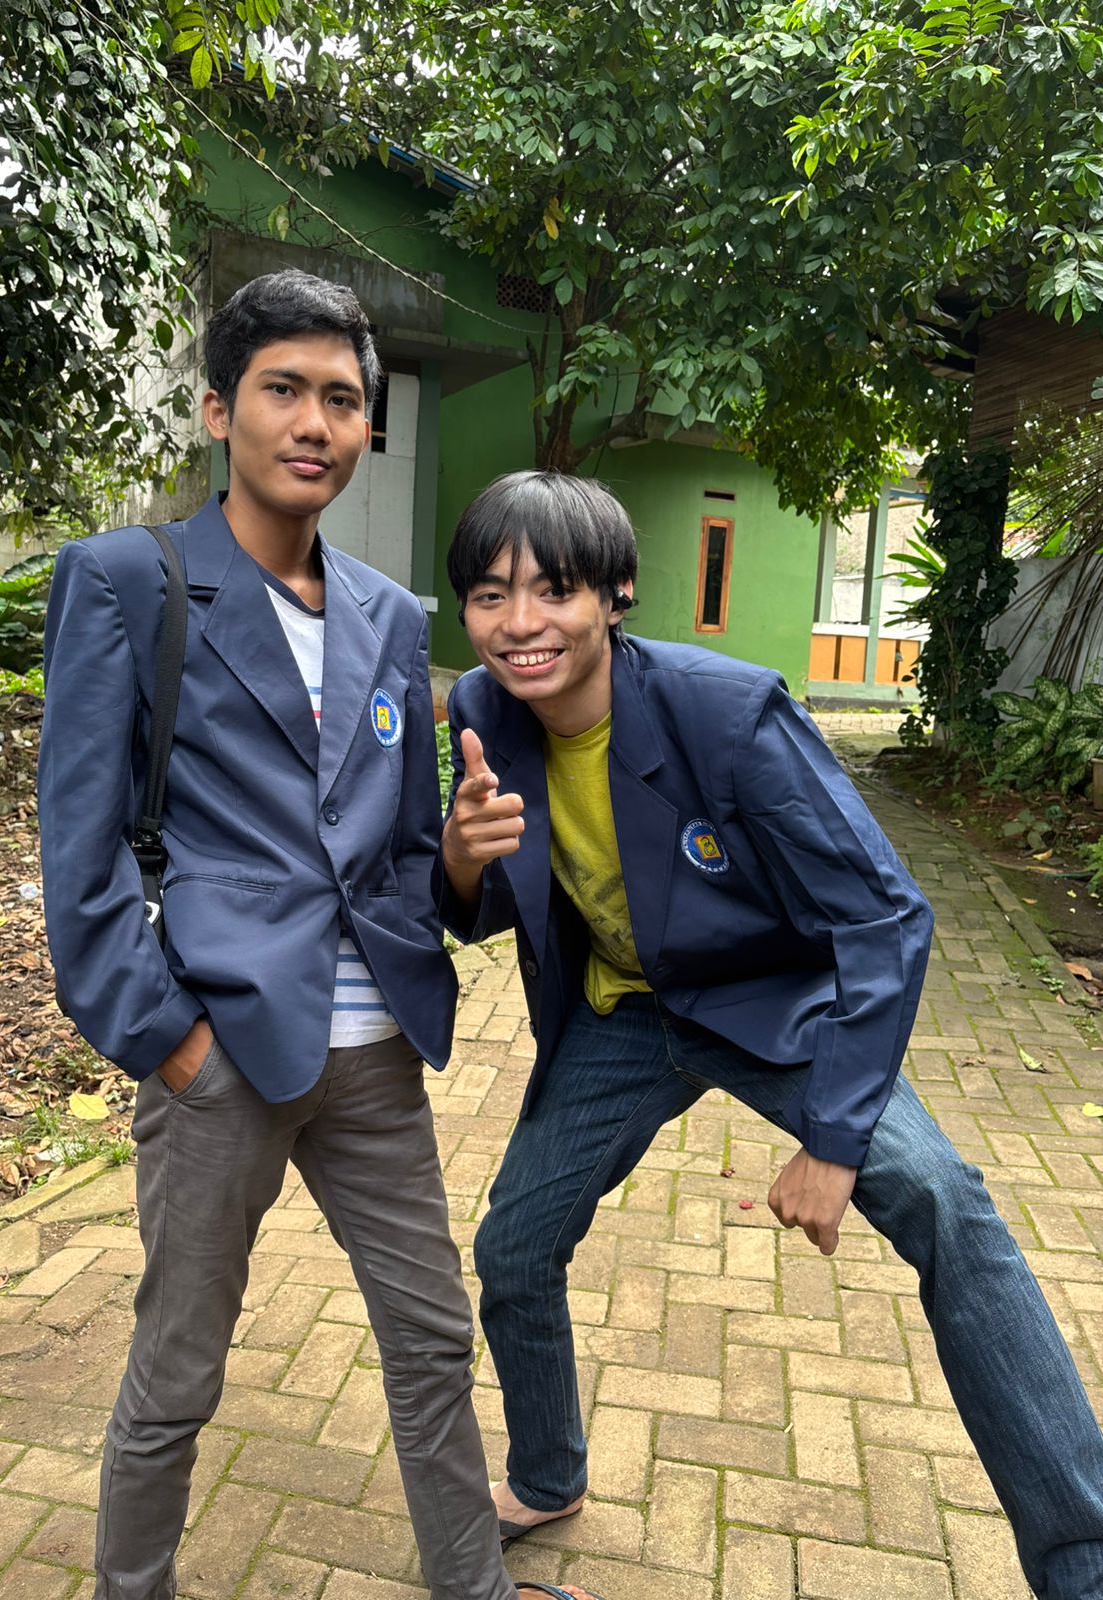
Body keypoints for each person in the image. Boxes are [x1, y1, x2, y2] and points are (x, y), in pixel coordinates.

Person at [438, 468, 1103, 1600]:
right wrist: (460, 858)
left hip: (769, 1004)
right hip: (624, 1010)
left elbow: (886, 917)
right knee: (512, 1250)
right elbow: (485, 899)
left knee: (945, 1201)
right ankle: (548, 1475)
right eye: (491, 595)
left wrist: (835, 1141)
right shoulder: (483, 712)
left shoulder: (729, 715)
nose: (520, 623)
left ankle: (1083, 1560)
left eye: (553, 590)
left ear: (615, 595)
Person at [39, 275, 597, 1600]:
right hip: (222, 1052)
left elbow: (402, 857)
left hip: (374, 1056)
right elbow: (81, 854)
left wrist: (460, 861)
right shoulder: (130, 582)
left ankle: (474, 1586)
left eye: (342, 399)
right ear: (219, 409)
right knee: (179, 1368)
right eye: (283, 390)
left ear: (366, 427)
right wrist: (171, 1045)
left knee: (430, 1339)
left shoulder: (388, 616)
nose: (315, 422)